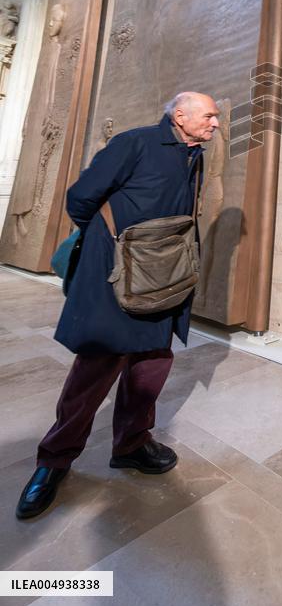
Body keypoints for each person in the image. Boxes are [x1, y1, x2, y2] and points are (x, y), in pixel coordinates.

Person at [15, 92, 220, 519]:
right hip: (116, 280)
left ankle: (131, 444)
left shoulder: (193, 156)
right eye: (210, 115)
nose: (216, 123)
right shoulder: (136, 142)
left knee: (149, 369)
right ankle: (53, 462)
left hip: (163, 284)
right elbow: (81, 199)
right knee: (94, 373)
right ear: (180, 116)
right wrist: (110, 249)